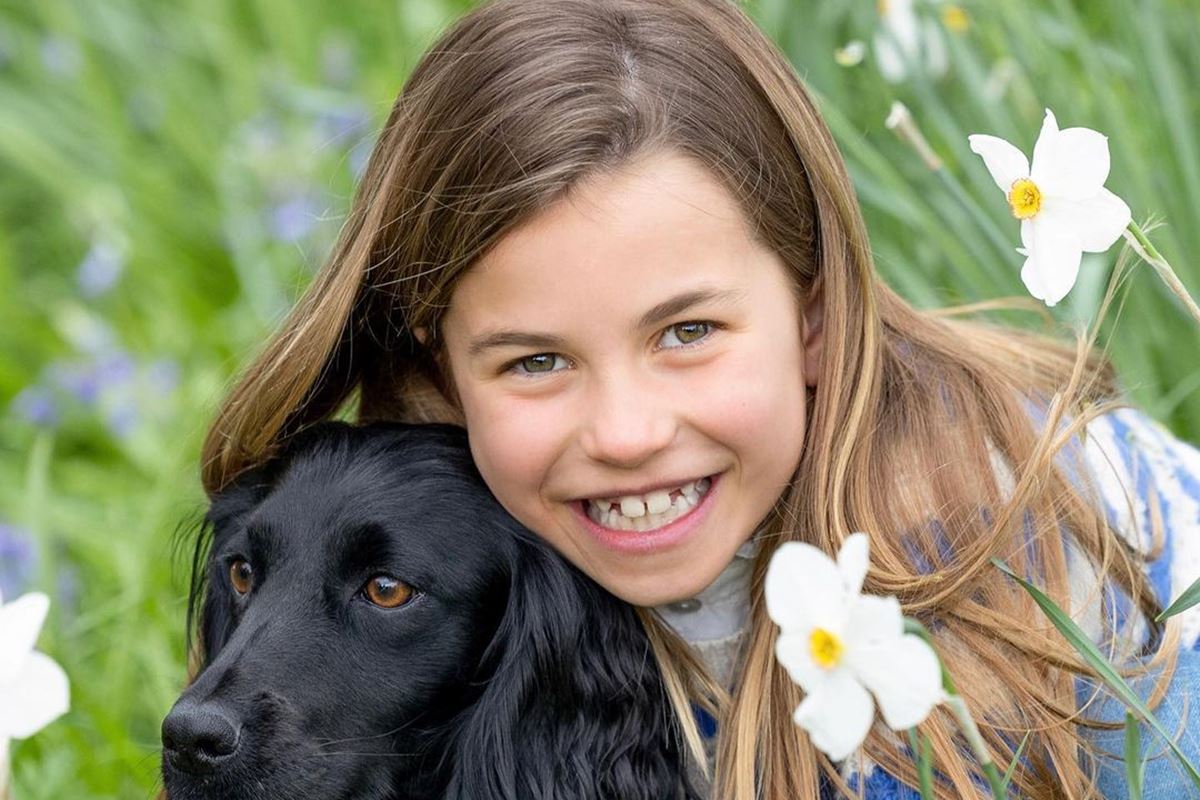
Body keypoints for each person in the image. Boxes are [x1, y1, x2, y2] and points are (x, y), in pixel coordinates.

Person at [196, 0, 1200, 796]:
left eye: (687, 332)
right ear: (442, 369)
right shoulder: (449, 532)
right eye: (537, 360)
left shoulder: (1044, 531)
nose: (629, 434)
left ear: (815, 313)